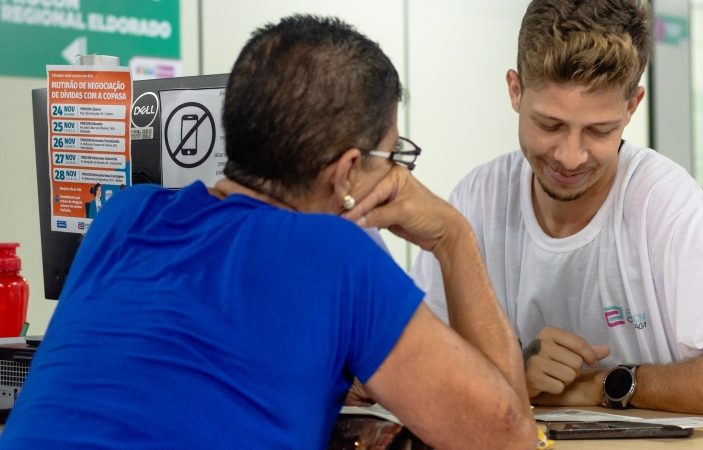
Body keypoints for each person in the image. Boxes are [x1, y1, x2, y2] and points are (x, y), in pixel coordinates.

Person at [1, 16, 535, 449]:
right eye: (390, 156)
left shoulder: (123, 216)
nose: (395, 174)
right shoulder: (337, 255)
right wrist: (452, 235)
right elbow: (507, 436)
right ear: (347, 171)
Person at [412, 0, 703, 419]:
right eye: (549, 125)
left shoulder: (661, 200)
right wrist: (514, 373)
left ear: (632, 106)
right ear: (515, 90)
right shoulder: (478, 199)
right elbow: (417, 363)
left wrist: (602, 384)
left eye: (599, 131)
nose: (571, 156)